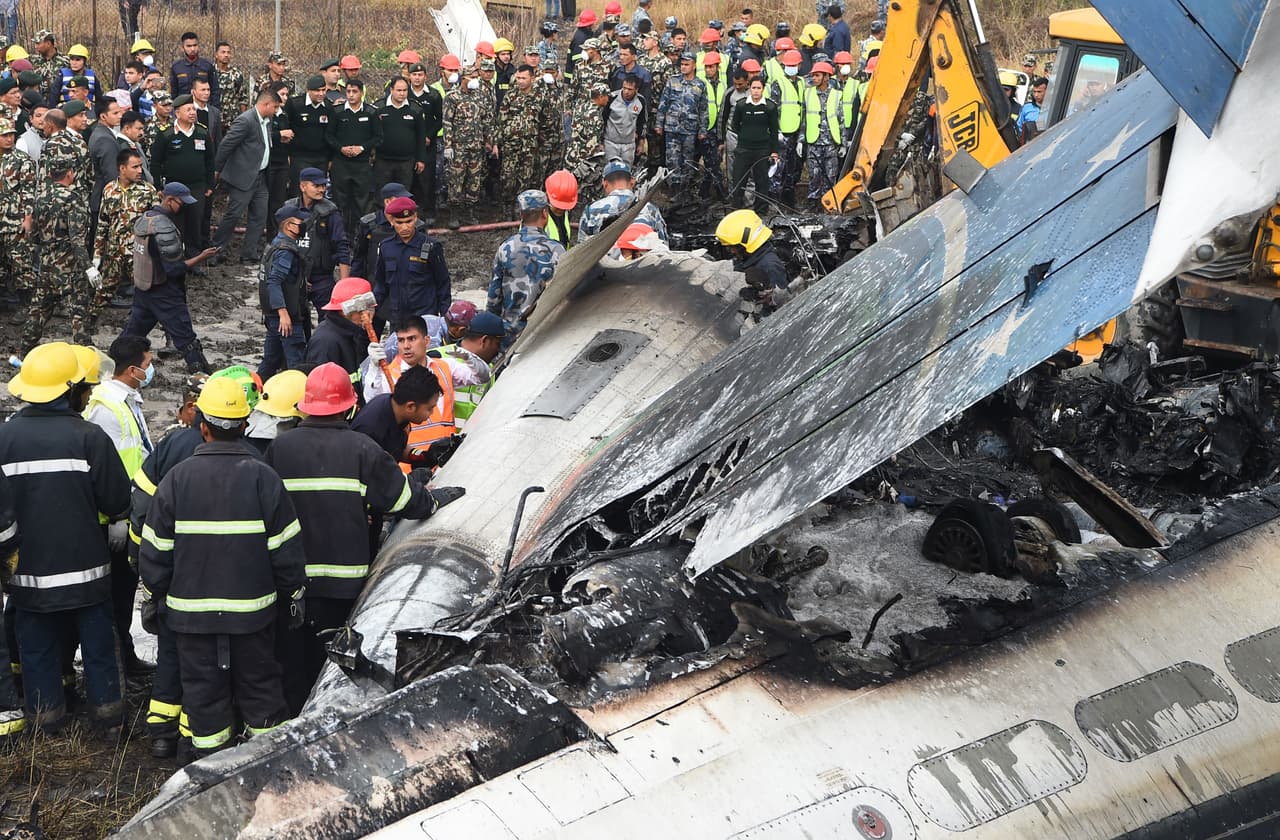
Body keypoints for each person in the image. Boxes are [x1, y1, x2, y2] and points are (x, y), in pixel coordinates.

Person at [267, 362, 455, 709]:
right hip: (342, 583)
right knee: (334, 662)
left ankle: (290, 719)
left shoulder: (280, 449)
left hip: (292, 581)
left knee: (294, 662)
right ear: (348, 406)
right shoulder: (362, 448)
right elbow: (402, 500)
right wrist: (432, 498)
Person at [138, 375, 305, 758]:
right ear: (245, 426)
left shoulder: (176, 480)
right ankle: (266, 767)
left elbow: (155, 553)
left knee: (203, 698)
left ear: (202, 427)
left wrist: (156, 597)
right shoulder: (264, 477)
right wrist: (293, 596)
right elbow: (287, 551)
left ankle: (209, 770)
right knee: (262, 691)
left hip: (191, 621)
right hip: (253, 617)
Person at [1, 341, 132, 732]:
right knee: (98, 645)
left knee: (37, 646)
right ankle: (109, 721)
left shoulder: (4, 438)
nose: (89, 394)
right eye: (85, 388)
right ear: (70, 391)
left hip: (28, 573)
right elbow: (116, 497)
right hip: (86, 571)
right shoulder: (88, 437)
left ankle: (46, 720)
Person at [83, 335, 156, 678]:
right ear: (131, 370)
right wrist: (119, 516)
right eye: (147, 364)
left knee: (124, 591)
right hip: (114, 516)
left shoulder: (127, 401)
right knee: (116, 594)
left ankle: (123, 656)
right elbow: (107, 468)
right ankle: (117, 663)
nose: (151, 369)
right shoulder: (106, 409)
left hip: (129, 509)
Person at [121, 182, 219, 374]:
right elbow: (174, 269)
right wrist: (201, 258)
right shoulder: (163, 226)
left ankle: (112, 370)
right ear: (169, 199)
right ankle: (202, 378)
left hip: (144, 290)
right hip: (165, 293)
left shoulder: (145, 219)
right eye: (181, 203)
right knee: (187, 340)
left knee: (130, 338)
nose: (183, 207)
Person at [21, 162, 89, 352]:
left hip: (46, 264)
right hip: (69, 266)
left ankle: (25, 350)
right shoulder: (73, 199)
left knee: (39, 310)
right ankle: (84, 355)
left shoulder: (40, 198)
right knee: (78, 312)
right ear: (70, 173)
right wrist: (88, 267)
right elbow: (77, 239)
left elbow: (33, 235)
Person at [487, 190, 565, 349]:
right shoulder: (556, 250)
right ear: (545, 213)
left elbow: (494, 298)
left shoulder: (506, 247)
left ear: (521, 214)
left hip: (510, 335)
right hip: (544, 335)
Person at [89, 147, 157, 327]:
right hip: (114, 255)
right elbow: (103, 223)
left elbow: (157, 223)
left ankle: (169, 334)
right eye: (134, 167)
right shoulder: (109, 190)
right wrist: (97, 255)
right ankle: (87, 326)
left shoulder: (148, 191)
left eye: (140, 166)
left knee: (151, 295)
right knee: (102, 292)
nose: (139, 171)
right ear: (122, 168)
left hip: (139, 255)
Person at [213, 89, 281, 264]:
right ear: (265, 104)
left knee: (259, 215)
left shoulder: (268, 120)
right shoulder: (246, 120)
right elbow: (226, 145)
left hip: (261, 177)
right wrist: (216, 169)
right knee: (233, 215)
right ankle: (215, 250)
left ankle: (249, 253)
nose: (276, 111)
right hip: (243, 178)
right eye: (275, 107)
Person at [284, 167, 352, 323]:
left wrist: (343, 285)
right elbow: (281, 244)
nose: (321, 189)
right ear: (303, 186)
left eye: (323, 186)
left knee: (331, 322)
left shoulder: (330, 213)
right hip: (294, 277)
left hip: (322, 278)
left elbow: (342, 247)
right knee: (295, 324)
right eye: (316, 186)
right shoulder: (288, 209)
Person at [150, 94, 215, 258]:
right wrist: (157, 186)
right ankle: (175, 256)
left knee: (196, 222)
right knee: (176, 222)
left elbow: (210, 160)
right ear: (177, 113)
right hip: (174, 188)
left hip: (197, 186)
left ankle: (194, 257)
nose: (193, 112)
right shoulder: (166, 134)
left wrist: (209, 185)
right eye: (188, 110)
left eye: (193, 109)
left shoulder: (202, 132)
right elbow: (156, 162)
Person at [372, 196, 451, 324]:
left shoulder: (430, 246)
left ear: (415, 218)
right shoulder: (386, 247)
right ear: (391, 220)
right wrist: (372, 307)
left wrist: (444, 318)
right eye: (399, 223)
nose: (405, 227)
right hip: (398, 318)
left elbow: (443, 283)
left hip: (424, 318)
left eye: (408, 221)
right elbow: (380, 283)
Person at [351, 365, 440, 465]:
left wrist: (423, 456)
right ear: (410, 407)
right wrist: (411, 479)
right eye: (430, 408)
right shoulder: (370, 431)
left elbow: (396, 449)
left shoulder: (398, 410)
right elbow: (369, 472)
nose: (432, 413)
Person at [327, 78, 382, 241]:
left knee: (361, 202)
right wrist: (341, 148)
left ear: (361, 93)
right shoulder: (337, 111)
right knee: (340, 202)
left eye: (354, 92)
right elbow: (329, 136)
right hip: (341, 163)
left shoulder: (371, 112)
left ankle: (359, 237)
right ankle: (340, 237)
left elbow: (378, 137)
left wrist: (362, 148)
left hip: (362, 164)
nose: (351, 95)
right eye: (348, 91)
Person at [257, 206, 309, 378]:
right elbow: (274, 281)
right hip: (286, 319)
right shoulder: (286, 251)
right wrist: (283, 313)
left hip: (272, 317)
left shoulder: (275, 244)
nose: (304, 226)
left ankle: (254, 391)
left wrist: (300, 284)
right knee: (296, 365)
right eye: (300, 222)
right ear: (289, 226)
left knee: (270, 361)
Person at [442, 64, 495, 229]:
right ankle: (454, 214)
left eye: (475, 77)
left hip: (476, 147)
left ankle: (471, 211)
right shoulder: (452, 97)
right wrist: (448, 145)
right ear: (463, 78)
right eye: (471, 77)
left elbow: (487, 120)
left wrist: (489, 141)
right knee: (456, 180)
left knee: (474, 180)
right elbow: (447, 122)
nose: (474, 80)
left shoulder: (480, 96)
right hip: (458, 147)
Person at [305, 276, 378, 397]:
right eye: (363, 309)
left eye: (370, 308)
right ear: (345, 310)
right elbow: (320, 392)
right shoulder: (325, 342)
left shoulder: (351, 333)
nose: (368, 314)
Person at [429, 311, 504, 426]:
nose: (498, 350)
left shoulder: (489, 371)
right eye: (497, 344)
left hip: (470, 441)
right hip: (437, 439)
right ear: (484, 341)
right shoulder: (436, 358)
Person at [578, 159, 668, 241]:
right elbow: (662, 247)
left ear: (604, 184)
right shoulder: (650, 210)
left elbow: (581, 250)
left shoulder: (591, 211)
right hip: (640, 258)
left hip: (605, 258)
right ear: (632, 181)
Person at [655, 51, 707, 189]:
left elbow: (703, 109)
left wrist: (703, 130)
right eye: (682, 64)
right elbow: (663, 104)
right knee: (672, 159)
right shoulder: (672, 81)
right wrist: (659, 124)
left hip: (689, 129)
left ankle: (686, 189)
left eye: (687, 64)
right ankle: (674, 188)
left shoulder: (700, 85)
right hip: (672, 128)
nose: (683, 67)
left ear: (694, 65)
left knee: (688, 161)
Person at [715, 208, 789, 304]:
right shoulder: (747, 258)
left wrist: (755, 296)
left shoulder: (770, 266)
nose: (731, 251)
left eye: (732, 247)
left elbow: (781, 302)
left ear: (746, 242)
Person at [0, 116, 36, 309]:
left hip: (15, 222)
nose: (9, 139)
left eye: (11, 135)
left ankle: (26, 307)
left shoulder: (21, 160)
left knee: (21, 265)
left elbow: (29, 191)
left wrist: (28, 218)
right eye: (4, 135)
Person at [495, 64, 543, 209]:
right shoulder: (511, 95)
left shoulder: (539, 96)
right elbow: (501, 120)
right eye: (518, 78)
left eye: (524, 78)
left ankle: (521, 209)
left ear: (532, 79)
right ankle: (506, 208)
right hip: (511, 144)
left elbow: (545, 120)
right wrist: (497, 142)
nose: (520, 81)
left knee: (526, 178)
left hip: (530, 145)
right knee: (508, 178)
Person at [374, 76, 427, 206]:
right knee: (382, 197)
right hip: (383, 161)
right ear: (391, 90)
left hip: (406, 162)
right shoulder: (378, 107)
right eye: (399, 90)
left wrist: (421, 159)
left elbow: (421, 136)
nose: (402, 93)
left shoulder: (415, 109)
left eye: (405, 90)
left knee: (403, 197)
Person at [729, 77, 778, 211]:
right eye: (753, 88)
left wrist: (774, 151)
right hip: (744, 148)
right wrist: (746, 136)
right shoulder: (741, 105)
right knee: (739, 180)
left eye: (759, 88)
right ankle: (736, 210)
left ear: (763, 89)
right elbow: (735, 125)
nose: (756, 91)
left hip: (762, 149)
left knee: (762, 182)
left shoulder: (770, 106)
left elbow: (774, 130)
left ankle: (761, 211)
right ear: (749, 88)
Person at [803, 61, 844, 204]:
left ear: (826, 77)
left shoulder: (837, 95)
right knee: (814, 177)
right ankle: (813, 205)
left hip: (831, 143)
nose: (814, 78)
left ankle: (829, 205)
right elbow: (804, 119)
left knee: (830, 177)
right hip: (814, 142)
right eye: (813, 75)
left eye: (817, 75)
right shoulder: (807, 94)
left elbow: (841, 121)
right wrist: (800, 140)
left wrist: (843, 144)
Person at [768, 49, 805, 204]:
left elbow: (803, 109)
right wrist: (776, 131)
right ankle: (773, 203)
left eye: (794, 65)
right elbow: (773, 109)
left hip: (796, 133)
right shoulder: (779, 83)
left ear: (800, 65)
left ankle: (788, 201)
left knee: (792, 168)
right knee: (778, 169)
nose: (791, 67)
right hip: (783, 134)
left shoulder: (802, 83)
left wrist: (801, 137)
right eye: (788, 65)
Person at [285, 75, 332, 196]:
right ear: (309, 90)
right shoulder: (295, 104)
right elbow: (286, 128)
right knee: (299, 190)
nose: (321, 93)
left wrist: (330, 158)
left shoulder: (328, 106)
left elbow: (331, 133)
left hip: (321, 157)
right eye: (317, 90)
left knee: (318, 191)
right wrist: (288, 154)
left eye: (323, 90)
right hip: (300, 156)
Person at [603, 74, 647, 167]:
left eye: (630, 89)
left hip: (628, 145)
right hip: (610, 143)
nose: (626, 91)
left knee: (626, 173)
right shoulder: (612, 98)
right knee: (610, 171)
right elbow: (602, 119)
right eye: (624, 88)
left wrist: (641, 142)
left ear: (636, 89)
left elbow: (642, 122)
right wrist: (600, 142)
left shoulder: (641, 101)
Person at [170, 32, 220, 104]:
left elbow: (215, 90)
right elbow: (174, 93)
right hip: (184, 108)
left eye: (195, 45)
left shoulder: (207, 66)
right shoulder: (176, 67)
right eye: (189, 46)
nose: (192, 49)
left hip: (204, 108)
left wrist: (214, 111)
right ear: (182, 48)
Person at [215, 42, 251, 134]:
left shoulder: (237, 75)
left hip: (232, 120)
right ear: (216, 54)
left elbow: (243, 98)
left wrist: (243, 120)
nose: (226, 55)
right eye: (223, 52)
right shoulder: (210, 72)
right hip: (214, 118)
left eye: (228, 52)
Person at [544, 169, 578, 247]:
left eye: (565, 207)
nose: (561, 209)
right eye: (558, 206)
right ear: (548, 196)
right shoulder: (535, 218)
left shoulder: (564, 214)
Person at [1017, 76, 1047, 143]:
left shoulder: (1054, 108)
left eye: (1039, 92)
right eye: (1034, 92)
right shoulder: (1026, 108)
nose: (1036, 95)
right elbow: (1019, 128)